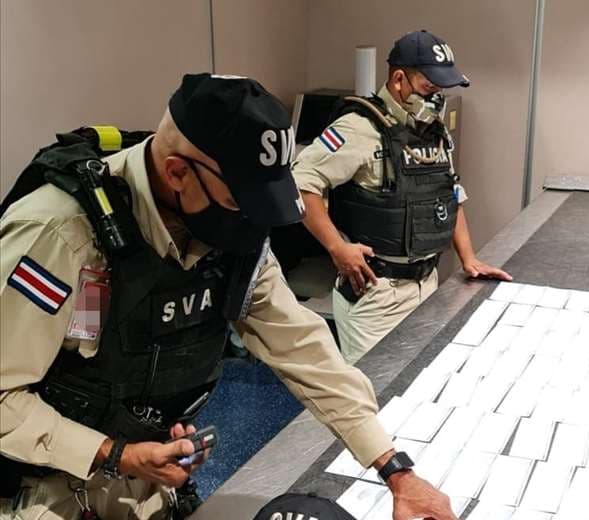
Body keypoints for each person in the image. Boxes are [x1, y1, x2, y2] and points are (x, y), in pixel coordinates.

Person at [0, 73, 455, 520]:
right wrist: (115, 453)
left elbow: (304, 349)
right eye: (240, 201)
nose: (251, 222)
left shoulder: (229, 234)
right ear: (178, 173)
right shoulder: (59, 235)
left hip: (145, 479)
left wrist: (395, 470)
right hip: (46, 489)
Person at [293, 30, 512, 364]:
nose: (436, 97)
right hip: (377, 293)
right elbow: (300, 183)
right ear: (399, 79)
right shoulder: (359, 129)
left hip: (427, 284)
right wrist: (336, 247)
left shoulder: (433, 131)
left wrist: (468, 258)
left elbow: (449, 192)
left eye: (441, 89)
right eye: (429, 87)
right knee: (375, 389)